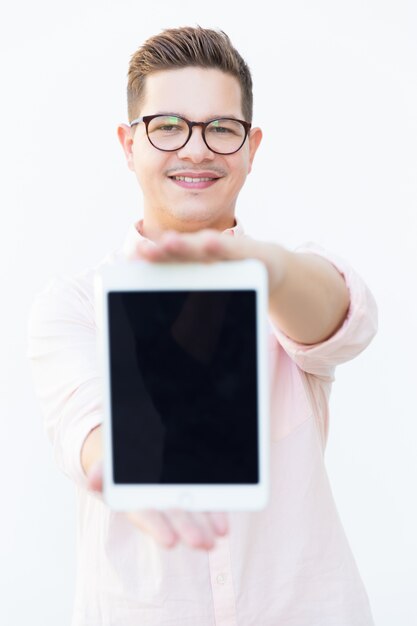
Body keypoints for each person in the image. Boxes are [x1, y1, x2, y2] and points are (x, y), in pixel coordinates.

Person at [28, 26, 378, 626]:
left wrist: (265, 268)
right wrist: (126, 472)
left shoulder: (288, 285)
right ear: (128, 143)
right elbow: (86, 426)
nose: (196, 150)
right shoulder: (76, 306)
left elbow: (345, 319)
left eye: (221, 128)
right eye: (167, 126)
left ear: (250, 147)